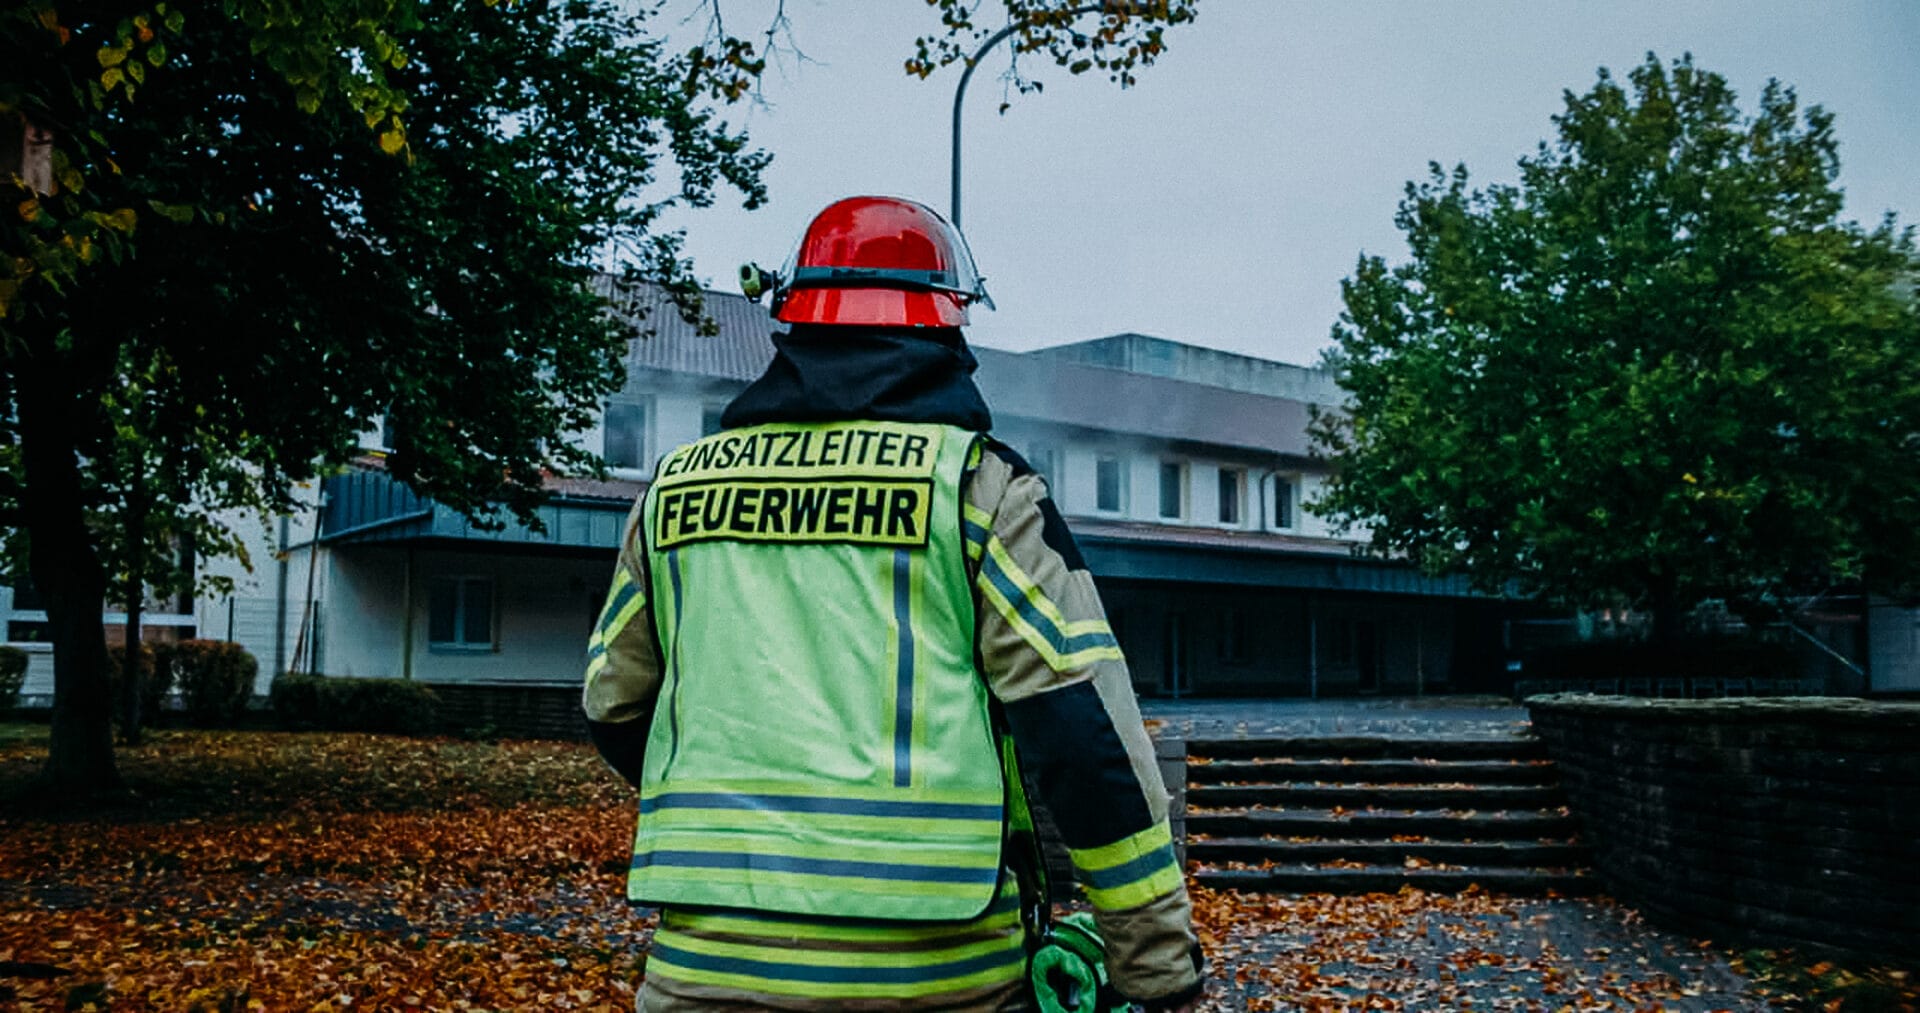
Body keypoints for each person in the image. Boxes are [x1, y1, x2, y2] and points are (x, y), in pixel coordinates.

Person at [582, 195, 1202, 1011]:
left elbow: (613, 701)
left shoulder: (673, 490)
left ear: (793, 321)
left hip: (706, 971)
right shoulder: (979, 489)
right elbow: (1084, 736)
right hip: (938, 977)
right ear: (948, 329)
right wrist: (1154, 966)